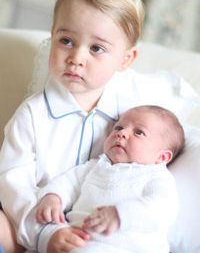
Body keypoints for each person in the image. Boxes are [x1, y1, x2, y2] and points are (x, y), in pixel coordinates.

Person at [0, 0, 146, 253]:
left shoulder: (129, 119)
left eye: (96, 48)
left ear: (126, 60)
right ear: (52, 37)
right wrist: (45, 233)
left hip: (93, 229)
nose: (76, 57)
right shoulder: (33, 113)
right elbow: (11, 179)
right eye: (66, 41)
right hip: (27, 218)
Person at [35, 105, 183, 253]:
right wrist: (53, 197)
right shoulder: (96, 166)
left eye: (139, 132)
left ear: (162, 157)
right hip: (80, 241)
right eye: (118, 128)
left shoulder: (156, 176)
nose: (122, 133)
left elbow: (162, 208)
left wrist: (120, 215)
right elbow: (68, 182)